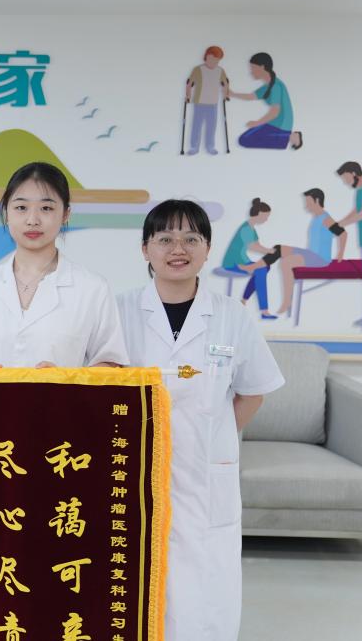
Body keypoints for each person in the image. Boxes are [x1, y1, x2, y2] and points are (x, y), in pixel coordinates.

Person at [116, 199, 284, 641]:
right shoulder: (118, 311)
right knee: (138, 580)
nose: (179, 249)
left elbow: (253, 390)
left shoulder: (231, 316)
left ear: (207, 249)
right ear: (145, 249)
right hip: (137, 471)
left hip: (208, 475)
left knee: (207, 588)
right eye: (165, 238)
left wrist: (212, 435)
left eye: (191, 238)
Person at [0, 161, 127, 368]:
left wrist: (65, 381)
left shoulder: (92, 288)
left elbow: (110, 363)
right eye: (21, 208)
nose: (32, 220)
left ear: (65, 214)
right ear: (6, 213)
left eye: (46, 208)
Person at [221, 198, 300, 319]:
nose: (266, 219)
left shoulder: (252, 229)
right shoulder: (246, 228)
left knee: (265, 267)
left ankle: (243, 301)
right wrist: (270, 251)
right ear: (258, 214)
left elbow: (257, 245)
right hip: (233, 262)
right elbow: (252, 247)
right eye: (265, 216)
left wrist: (270, 251)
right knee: (261, 270)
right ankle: (264, 311)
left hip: (243, 260)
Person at [274, 188, 347, 315]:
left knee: (285, 263)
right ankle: (261, 268)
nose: (306, 206)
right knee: (278, 249)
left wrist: (340, 254)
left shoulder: (326, 219)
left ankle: (287, 302)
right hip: (310, 254)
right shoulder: (317, 218)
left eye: (308, 202)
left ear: (317, 201)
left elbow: (343, 234)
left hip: (320, 259)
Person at [226, 52, 303, 150]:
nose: (251, 72)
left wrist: (257, 123)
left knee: (245, 140)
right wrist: (232, 94)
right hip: (273, 123)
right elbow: (250, 96)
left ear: (262, 67)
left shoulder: (276, 86)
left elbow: (275, 112)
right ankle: (282, 139)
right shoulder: (267, 86)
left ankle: (285, 137)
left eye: (253, 68)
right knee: (244, 139)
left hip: (281, 125)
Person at [335, 161, 362, 328]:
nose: (345, 182)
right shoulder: (360, 190)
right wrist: (339, 223)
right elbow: (356, 211)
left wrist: (343, 224)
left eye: (346, 178)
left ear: (354, 173)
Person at [185, 45, 228, 155]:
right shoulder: (198, 69)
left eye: (217, 60)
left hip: (213, 103)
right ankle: (194, 147)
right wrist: (188, 96)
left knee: (211, 126)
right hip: (199, 102)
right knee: (197, 125)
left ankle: (210, 146)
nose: (214, 62)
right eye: (212, 59)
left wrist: (226, 94)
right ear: (207, 56)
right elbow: (189, 83)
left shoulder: (220, 70)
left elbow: (225, 83)